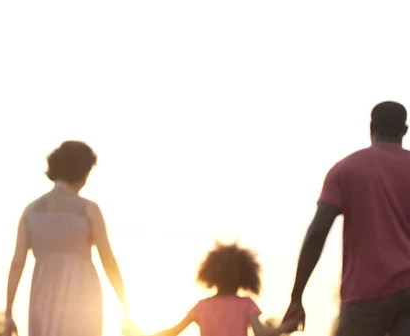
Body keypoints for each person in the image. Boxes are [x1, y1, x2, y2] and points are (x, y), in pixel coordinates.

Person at [283, 101, 410, 336]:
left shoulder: (346, 169)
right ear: (404, 130)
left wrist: (296, 295)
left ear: (371, 127)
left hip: (365, 295)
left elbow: (317, 232)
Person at [3, 141, 132, 336]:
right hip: (82, 294)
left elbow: (17, 263)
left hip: (42, 295)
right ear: (82, 171)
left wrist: (8, 312)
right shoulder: (89, 209)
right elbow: (108, 261)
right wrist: (125, 306)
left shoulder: (31, 211)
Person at [144, 242, 300, 336]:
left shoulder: (202, 307)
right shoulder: (246, 304)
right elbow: (261, 333)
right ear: (244, 277)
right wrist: (287, 327)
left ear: (211, 275)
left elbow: (173, 332)